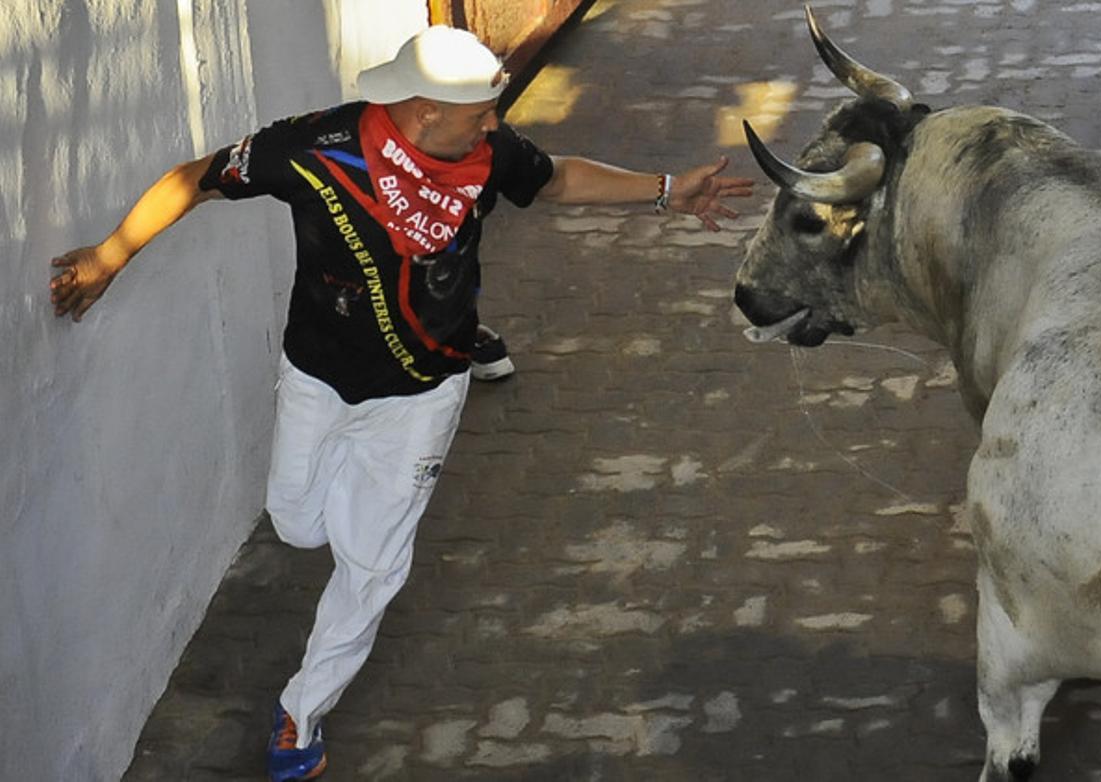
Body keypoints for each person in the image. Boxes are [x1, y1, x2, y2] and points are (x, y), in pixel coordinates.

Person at [49, 25, 752, 782]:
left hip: (422, 390)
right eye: (481, 113)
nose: (495, 124)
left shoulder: (488, 157)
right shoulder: (314, 150)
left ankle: (302, 714)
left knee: (373, 564)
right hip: (318, 375)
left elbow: (558, 181)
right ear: (423, 114)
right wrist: (109, 254)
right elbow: (196, 177)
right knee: (296, 521)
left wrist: (667, 190)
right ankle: (367, 507)